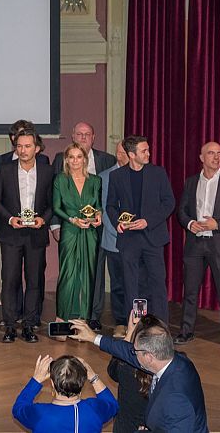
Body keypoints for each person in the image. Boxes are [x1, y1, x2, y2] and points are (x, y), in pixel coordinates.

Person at [70, 314, 209, 433]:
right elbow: (127, 352)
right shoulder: (175, 360)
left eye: (135, 351)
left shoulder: (175, 400)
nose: (132, 353)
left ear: (149, 357)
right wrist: (93, 337)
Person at [175, 142, 220, 351]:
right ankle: (186, 330)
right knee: (191, 291)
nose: (216, 157)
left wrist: (218, 224)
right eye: (211, 153)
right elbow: (182, 211)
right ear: (201, 157)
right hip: (195, 244)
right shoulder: (190, 182)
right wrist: (189, 223)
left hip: (219, 243)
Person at [105, 135, 175, 323]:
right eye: (144, 151)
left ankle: (160, 327)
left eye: (148, 149)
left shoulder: (158, 173)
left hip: (153, 237)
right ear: (131, 154)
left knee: (157, 284)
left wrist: (148, 221)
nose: (149, 153)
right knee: (132, 286)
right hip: (129, 240)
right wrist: (116, 222)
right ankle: (137, 325)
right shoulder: (116, 176)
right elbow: (110, 205)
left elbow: (169, 202)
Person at [0, 129, 53, 343]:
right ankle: (9, 326)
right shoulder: (5, 169)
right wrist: (10, 219)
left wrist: (43, 219)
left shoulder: (47, 171)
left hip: (36, 233)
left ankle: (29, 325)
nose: (23, 150)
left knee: (35, 281)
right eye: (19, 146)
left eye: (27, 146)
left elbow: (52, 203)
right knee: (9, 280)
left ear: (37, 148)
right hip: (11, 233)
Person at [52, 144, 102, 324]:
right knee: (67, 274)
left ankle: (82, 321)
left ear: (84, 159)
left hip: (90, 233)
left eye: (78, 157)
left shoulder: (95, 181)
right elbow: (56, 207)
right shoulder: (60, 180)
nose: (75, 161)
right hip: (70, 231)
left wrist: (98, 215)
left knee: (87, 274)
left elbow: (98, 206)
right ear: (66, 160)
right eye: (71, 157)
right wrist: (72, 219)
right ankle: (62, 318)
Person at [12, 355, 117, 433]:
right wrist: (93, 377)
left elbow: (18, 409)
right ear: (83, 382)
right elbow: (112, 404)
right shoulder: (94, 408)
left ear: (52, 384)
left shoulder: (40, 413)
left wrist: (36, 380)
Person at [96, 141, 130, 338]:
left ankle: (136, 321)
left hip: (136, 240)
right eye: (120, 152)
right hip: (113, 239)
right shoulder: (105, 177)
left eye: (126, 152)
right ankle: (120, 322)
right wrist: (116, 231)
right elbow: (104, 209)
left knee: (135, 283)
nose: (122, 155)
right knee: (117, 283)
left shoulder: (142, 174)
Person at [106, 316, 158, 433]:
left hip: (125, 428)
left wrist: (129, 333)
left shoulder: (124, 366)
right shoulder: (166, 369)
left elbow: (112, 370)